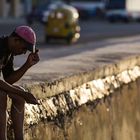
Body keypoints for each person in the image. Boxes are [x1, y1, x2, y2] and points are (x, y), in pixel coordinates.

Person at [0, 25, 40, 140]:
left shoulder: (9, 51)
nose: (23, 53)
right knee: (1, 95)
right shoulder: (0, 47)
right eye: (23, 48)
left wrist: (27, 65)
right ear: (15, 40)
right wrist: (25, 95)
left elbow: (8, 80)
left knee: (20, 96)